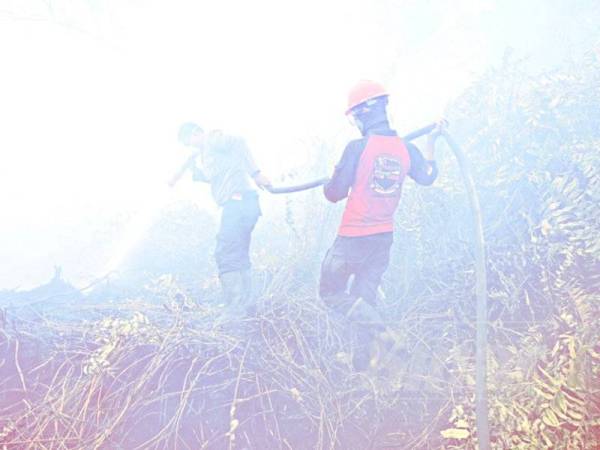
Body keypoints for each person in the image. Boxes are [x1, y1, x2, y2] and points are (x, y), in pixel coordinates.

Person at [319, 80, 444, 369]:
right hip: (382, 238)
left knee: (331, 293)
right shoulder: (405, 149)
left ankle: (385, 334)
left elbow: (333, 193)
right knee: (364, 300)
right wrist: (432, 142)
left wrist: (334, 175)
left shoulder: (357, 148)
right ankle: (361, 364)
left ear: (362, 114)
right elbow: (427, 176)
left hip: (353, 238)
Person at [178, 123, 272, 314]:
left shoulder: (213, 139)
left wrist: (256, 173)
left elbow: (239, 142)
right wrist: (198, 174)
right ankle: (248, 306)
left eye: (190, 142)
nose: (192, 147)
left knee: (225, 253)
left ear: (197, 132)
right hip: (242, 204)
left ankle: (236, 308)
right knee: (237, 254)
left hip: (238, 202)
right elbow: (220, 174)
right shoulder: (207, 154)